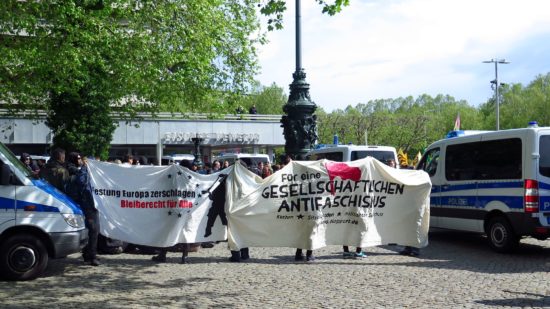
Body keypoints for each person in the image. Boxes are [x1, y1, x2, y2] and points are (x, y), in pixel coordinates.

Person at [66, 153, 101, 266]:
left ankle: (88, 254)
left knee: (91, 230)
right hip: (88, 205)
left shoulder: (78, 171)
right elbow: (84, 186)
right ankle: (92, 256)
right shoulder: (84, 172)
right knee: (94, 230)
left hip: (84, 205)